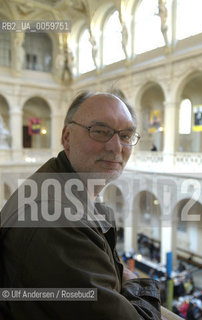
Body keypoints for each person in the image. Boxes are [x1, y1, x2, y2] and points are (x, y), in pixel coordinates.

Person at [0, 91, 161, 319]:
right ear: (67, 137)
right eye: (100, 132)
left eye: (126, 135)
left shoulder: (61, 190)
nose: (116, 147)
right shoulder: (55, 216)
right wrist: (136, 283)